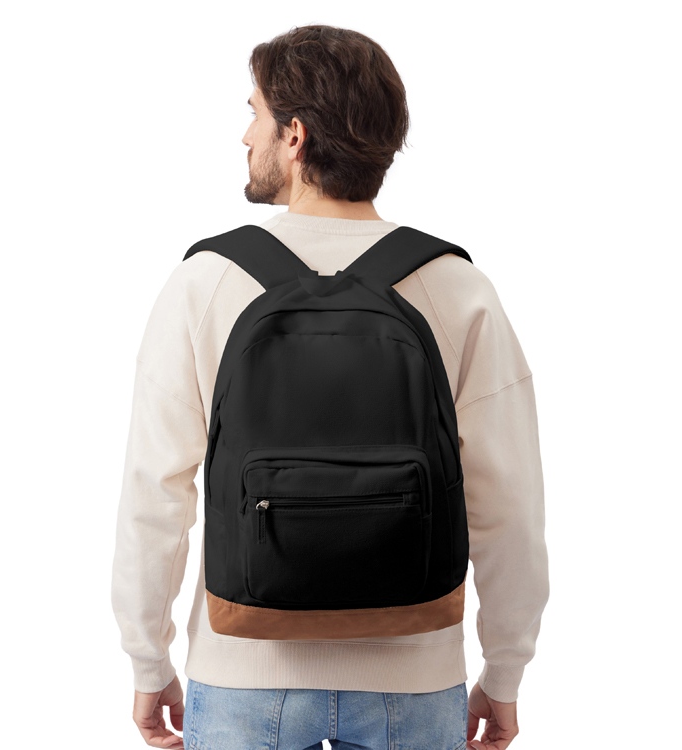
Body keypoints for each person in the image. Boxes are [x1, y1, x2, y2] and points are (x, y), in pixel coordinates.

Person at [110, 24, 549, 750]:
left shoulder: (205, 284)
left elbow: (153, 495)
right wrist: (504, 671)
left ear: (295, 136)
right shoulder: (458, 289)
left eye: (254, 113)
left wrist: (147, 658)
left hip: (242, 670)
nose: (244, 135)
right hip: (414, 679)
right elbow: (510, 506)